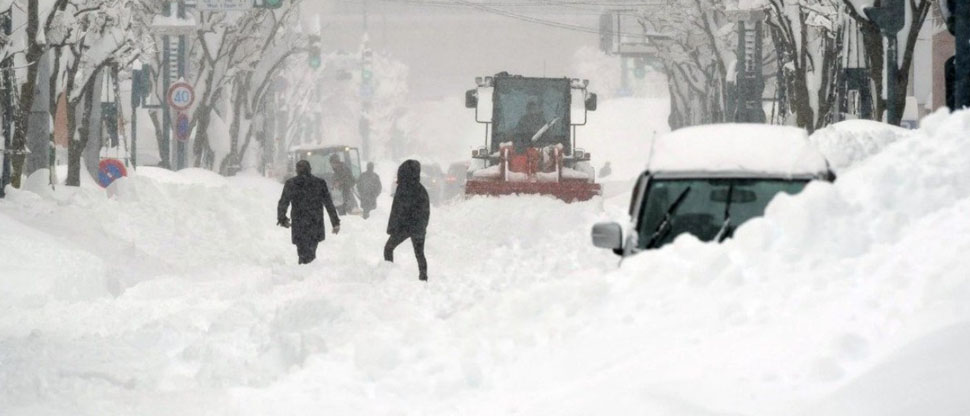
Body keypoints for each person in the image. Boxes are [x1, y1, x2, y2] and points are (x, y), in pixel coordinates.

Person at [277, 160, 341, 264]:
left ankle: (304, 265)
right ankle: (309, 267)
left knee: (301, 249)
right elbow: (328, 204)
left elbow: (283, 202)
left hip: (299, 223)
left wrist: (282, 218)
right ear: (310, 170)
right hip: (315, 222)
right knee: (312, 249)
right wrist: (335, 222)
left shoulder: (291, 184)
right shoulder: (319, 183)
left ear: (296, 170)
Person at [385, 160, 430, 281]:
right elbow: (425, 212)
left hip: (404, 227)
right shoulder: (421, 190)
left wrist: (393, 228)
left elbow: (397, 211)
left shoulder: (403, 189)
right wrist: (421, 227)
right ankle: (423, 277)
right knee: (420, 253)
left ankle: (389, 274)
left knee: (388, 248)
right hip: (417, 228)